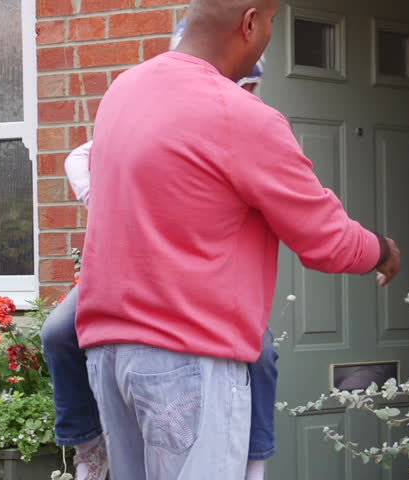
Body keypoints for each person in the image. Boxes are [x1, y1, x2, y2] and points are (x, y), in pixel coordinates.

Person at [75, 0, 401, 477]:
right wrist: (381, 250)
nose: (269, 34)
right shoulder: (239, 115)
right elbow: (325, 240)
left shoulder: (123, 91)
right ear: (249, 23)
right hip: (188, 359)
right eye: (271, 23)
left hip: (110, 355)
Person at [40, 17, 277, 480]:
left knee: (261, 352)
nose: (242, 91)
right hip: (124, 273)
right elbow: (78, 157)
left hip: (203, 282)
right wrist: (106, 198)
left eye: (250, 85)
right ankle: (89, 442)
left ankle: (254, 454)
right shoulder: (148, 115)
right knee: (57, 332)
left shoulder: (242, 126)